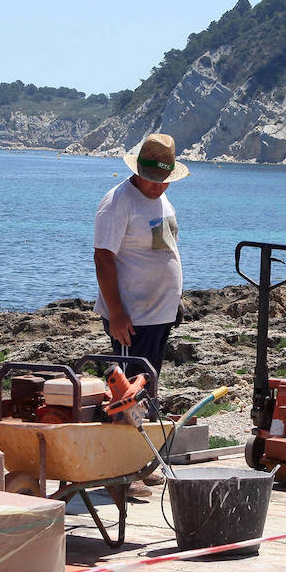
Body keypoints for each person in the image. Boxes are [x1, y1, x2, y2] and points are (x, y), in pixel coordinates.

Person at [94, 134, 189, 496]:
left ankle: (141, 461)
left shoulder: (161, 197)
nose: (156, 185)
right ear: (138, 171)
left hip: (160, 311)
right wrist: (116, 312)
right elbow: (103, 257)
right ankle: (122, 468)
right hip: (131, 315)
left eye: (163, 179)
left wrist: (174, 296)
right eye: (151, 178)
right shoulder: (118, 202)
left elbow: (165, 248)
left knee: (147, 387)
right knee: (126, 392)